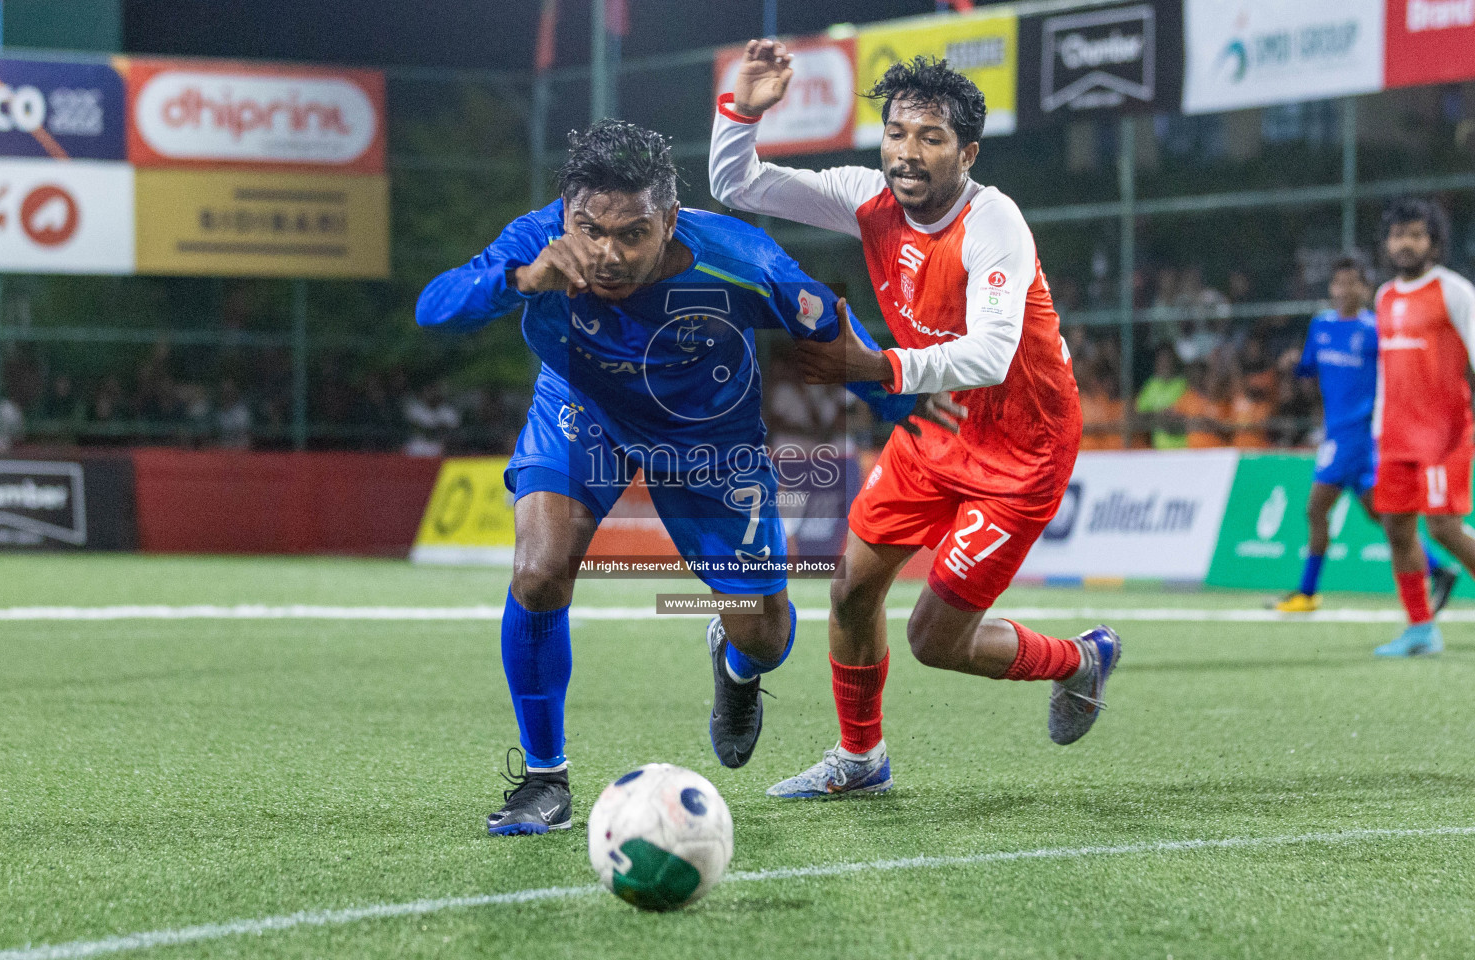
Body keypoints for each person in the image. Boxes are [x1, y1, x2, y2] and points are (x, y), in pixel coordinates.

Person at [416, 119, 914, 833]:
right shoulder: (537, 240)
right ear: (566, 215)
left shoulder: (742, 259)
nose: (608, 254)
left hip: (709, 443)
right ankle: (544, 779)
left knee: (765, 636)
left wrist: (915, 412)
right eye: (590, 230)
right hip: (582, 412)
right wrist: (519, 281)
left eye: (633, 234)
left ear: (670, 220)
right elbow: (434, 308)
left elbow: (836, 335)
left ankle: (735, 661)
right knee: (538, 569)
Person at [710, 44, 1119, 799]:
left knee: (935, 641)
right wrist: (742, 109)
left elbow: (993, 354)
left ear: (967, 151)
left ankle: (1079, 660)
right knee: (850, 593)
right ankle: (860, 760)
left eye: (931, 138)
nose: (907, 152)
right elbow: (736, 182)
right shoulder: (867, 196)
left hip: (1021, 451)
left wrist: (878, 370)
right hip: (934, 430)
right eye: (897, 132)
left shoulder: (995, 221)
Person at [1275, 257, 1457, 613]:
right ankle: (1439, 569)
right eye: (1338, 283)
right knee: (1384, 518)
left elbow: (1399, 372)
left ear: (1364, 288)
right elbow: (1309, 370)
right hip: (1337, 433)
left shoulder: (1375, 329)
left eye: (1352, 283)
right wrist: (1292, 366)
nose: (1344, 290)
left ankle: (1307, 593)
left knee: (1315, 509)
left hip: (1357, 437)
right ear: (1331, 288)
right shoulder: (1321, 327)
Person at [1371, 199, 1475, 656]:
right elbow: (1385, 371)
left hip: (1445, 435)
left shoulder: (1453, 291)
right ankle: (1420, 629)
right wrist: (1378, 427)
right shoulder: (1384, 296)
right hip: (1394, 434)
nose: (1405, 243)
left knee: (1444, 528)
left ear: (1433, 242)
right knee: (1396, 527)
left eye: (1415, 234)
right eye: (1397, 235)